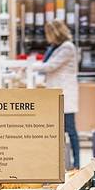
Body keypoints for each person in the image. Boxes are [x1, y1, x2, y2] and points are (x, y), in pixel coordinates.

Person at [36, 19, 80, 169]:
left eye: (48, 33)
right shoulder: (56, 47)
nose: (46, 37)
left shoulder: (67, 47)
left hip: (65, 94)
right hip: (58, 93)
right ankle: (61, 163)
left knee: (70, 130)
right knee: (59, 130)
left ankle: (77, 164)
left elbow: (50, 66)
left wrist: (29, 66)